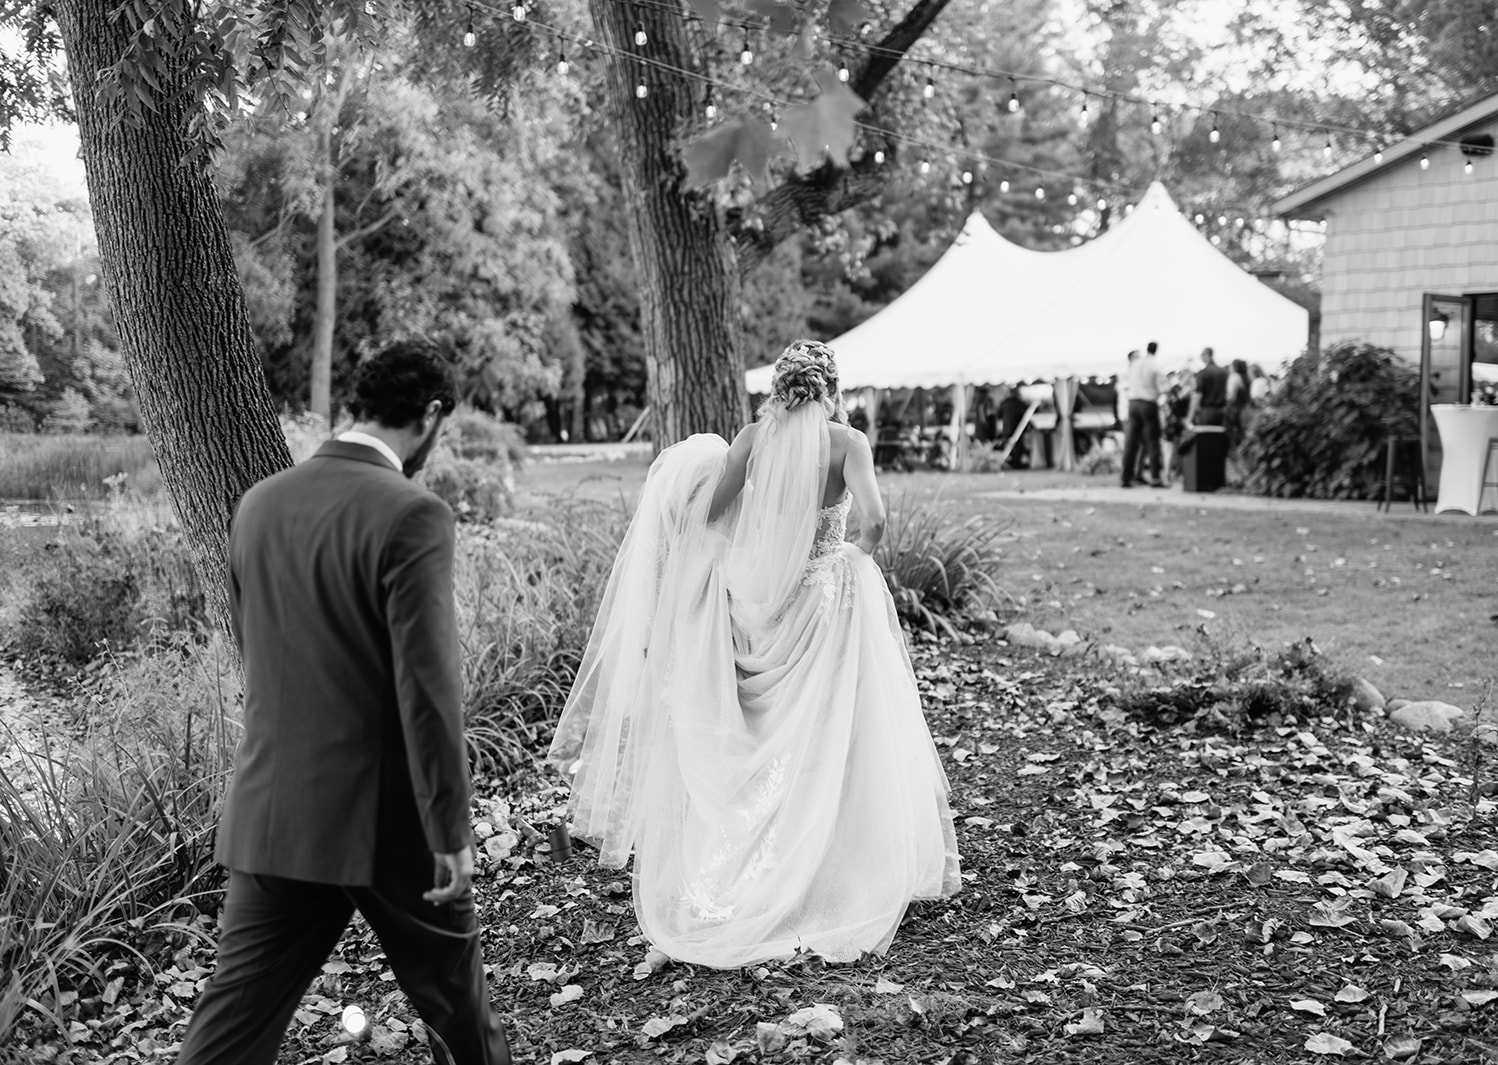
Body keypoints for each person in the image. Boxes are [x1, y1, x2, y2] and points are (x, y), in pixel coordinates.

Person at [549, 339, 960, 969]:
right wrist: (848, 559)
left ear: (779, 388)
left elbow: (709, 515)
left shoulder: (751, 439)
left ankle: (752, 867)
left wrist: (744, 553)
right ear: (829, 387)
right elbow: (873, 522)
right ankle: (833, 865)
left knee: (766, 731)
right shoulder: (846, 444)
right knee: (833, 728)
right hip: (825, 602)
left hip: (760, 607)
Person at [177, 341, 510, 1065]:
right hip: (384, 818)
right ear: (429, 417)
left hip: (276, 811)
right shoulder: (412, 513)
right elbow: (427, 689)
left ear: (357, 405)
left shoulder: (257, 504)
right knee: (461, 1014)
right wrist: (450, 828)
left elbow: (259, 655)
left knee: (230, 1029)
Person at [1120, 342, 1165, 488]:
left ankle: (1125, 478)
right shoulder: (1153, 364)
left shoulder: (1132, 365)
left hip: (1133, 404)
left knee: (1130, 443)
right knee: (1153, 441)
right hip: (1147, 403)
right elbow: (1163, 386)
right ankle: (1155, 478)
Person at [1189, 346, 1230, 429]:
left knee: (1207, 438)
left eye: (1202, 355)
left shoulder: (1203, 373)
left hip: (1207, 412)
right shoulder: (1223, 372)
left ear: (1207, 355)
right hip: (1222, 411)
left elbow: (1197, 396)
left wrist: (1190, 417)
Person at [997, 382, 1031, 468]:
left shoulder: (1004, 403)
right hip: (1017, 428)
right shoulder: (1019, 403)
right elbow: (1026, 414)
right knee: (1018, 446)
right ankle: (1016, 463)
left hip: (1006, 428)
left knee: (1007, 446)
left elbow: (999, 415)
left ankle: (1009, 462)